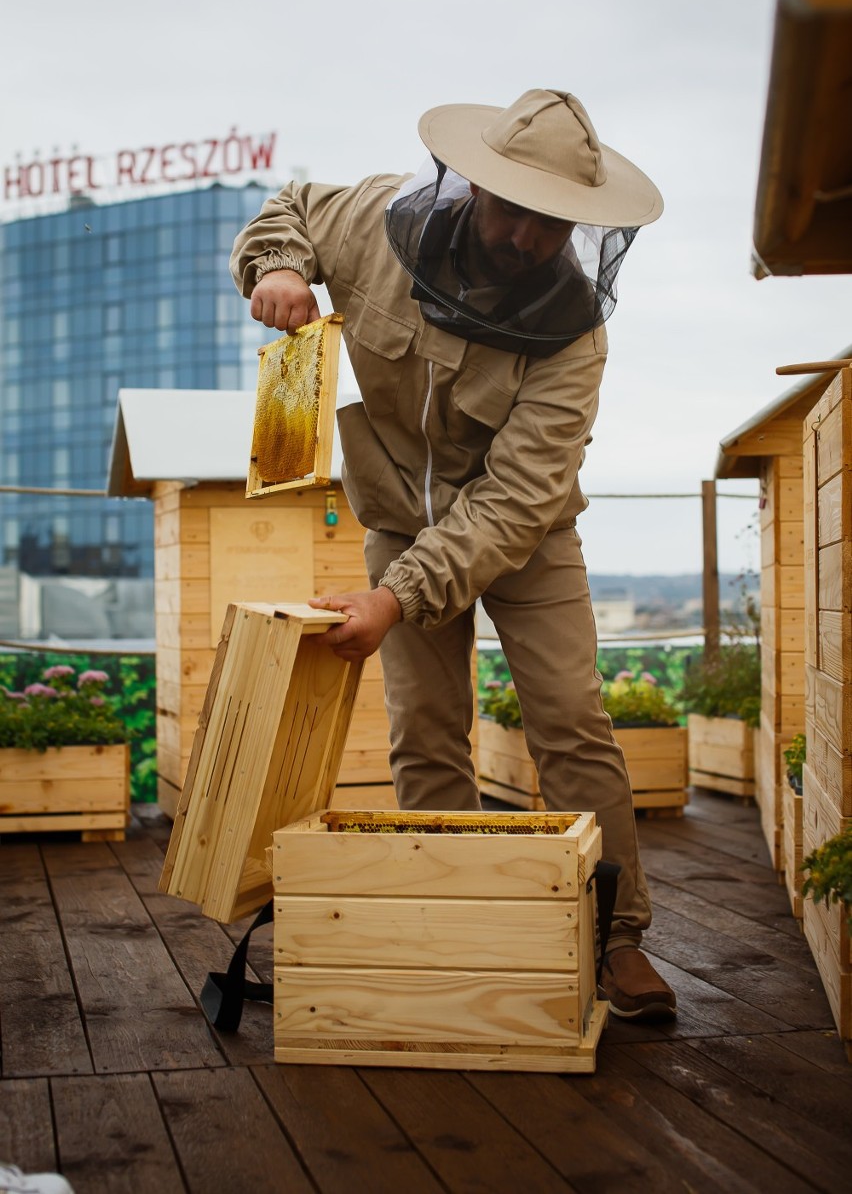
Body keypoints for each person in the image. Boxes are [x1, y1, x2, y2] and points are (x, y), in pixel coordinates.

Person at [230, 88, 676, 1021]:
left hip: (530, 536)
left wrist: (396, 596)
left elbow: (515, 499)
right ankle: (460, 918)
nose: (525, 237)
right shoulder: (372, 222)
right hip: (395, 515)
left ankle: (617, 936)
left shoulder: (578, 337)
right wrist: (276, 270)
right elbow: (292, 210)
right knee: (425, 733)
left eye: (553, 224)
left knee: (572, 724)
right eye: (512, 208)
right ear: (471, 185)